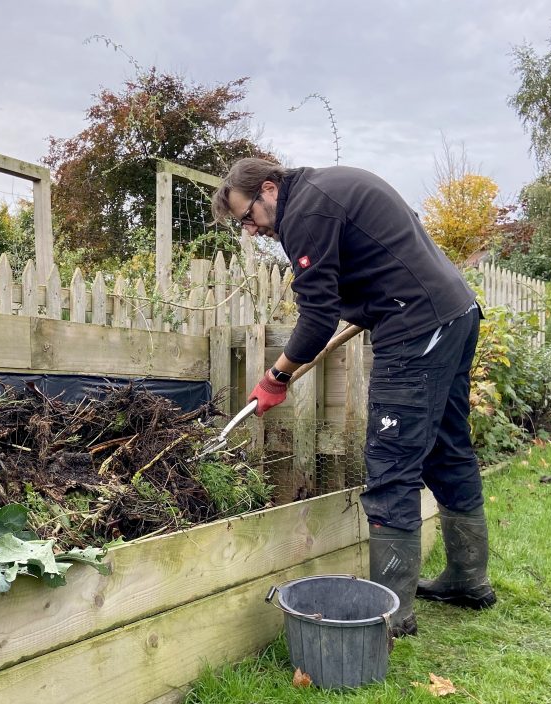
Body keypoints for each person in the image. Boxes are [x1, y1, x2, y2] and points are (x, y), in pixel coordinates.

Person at [211, 158, 497, 636]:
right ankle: (469, 578)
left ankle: (392, 614)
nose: (252, 229)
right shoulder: (329, 186)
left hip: (418, 327)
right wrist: (373, 303)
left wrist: (276, 377)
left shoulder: (305, 211)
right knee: (447, 447)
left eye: (249, 216)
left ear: (269, 189)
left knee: (391, 460)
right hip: (454, 312)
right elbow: (380, 253)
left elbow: (317, 316)